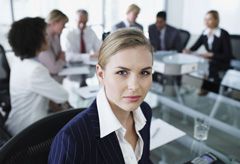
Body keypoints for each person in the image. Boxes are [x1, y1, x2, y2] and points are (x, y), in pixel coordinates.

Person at [49, 29, 153, 164]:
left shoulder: (145, 111)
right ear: (101, 74)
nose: (134, 86)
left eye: (144, 72)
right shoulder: (71, 141)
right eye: (122, 72)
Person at [5, 17, 69, 135]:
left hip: (15, 126)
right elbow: (63, 95)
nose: (48, 37)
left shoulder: (19, 62)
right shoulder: (35, 70)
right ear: (35, 39)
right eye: (45, 34)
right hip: (28, 134)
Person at [183, 10, 232, 95]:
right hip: (210, 60)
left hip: (222, 61)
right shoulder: (205, 32)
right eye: (205, 19)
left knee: (208, 66)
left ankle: (211, 89)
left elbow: (228, 55)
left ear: (216, 20)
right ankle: (202, 87)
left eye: (209, 19)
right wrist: (188, 50)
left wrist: (212, 55)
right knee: (197, 64)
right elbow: (195, 46)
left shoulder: (223, 34)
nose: (206, 21)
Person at [38, 9, 68, 82]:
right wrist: (60, 59)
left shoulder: (56, 36)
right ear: (54, 23)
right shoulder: (43, 40)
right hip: (44, 80)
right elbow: (53, 69)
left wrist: (59, 59)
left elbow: (62, 56)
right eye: (63, 24)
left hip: (56, 78)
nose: (64, 27)